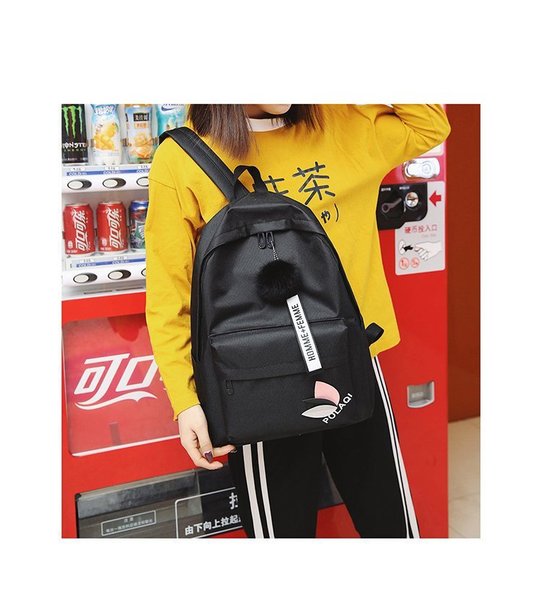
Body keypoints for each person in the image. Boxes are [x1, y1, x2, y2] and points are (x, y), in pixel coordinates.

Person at [145, 104, 451, 538]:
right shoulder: (184, 157)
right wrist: (186, 399)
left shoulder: (345, 124)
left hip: (351, 359)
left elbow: (430, 123)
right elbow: (169, 295)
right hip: (254, 382)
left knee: (392, 527)